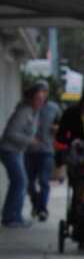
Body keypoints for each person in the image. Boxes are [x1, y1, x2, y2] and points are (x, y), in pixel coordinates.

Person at [0, 80, 48, 228]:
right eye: (38, 98)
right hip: (10, 150)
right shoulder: (24, 111)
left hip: (18, 150)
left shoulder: (34, 112)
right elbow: (10, 133)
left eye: (43, 99)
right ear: (31, 98)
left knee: (19, 182)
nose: (41, 102)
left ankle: (13, 215)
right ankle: (11, 217)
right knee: (20, 182)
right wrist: (30, 141)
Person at [25, 82, 61, 221]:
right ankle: (36, 204)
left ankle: (42, 209)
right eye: (40, 91)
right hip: (29, 150)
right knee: (29, 183)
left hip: (47, 150)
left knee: (44, 181)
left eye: (45, 91)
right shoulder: (28, 107)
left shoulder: (54, 108)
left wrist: (56, 128)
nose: (42, 94)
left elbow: (61, 124)